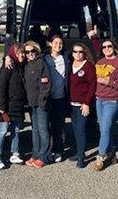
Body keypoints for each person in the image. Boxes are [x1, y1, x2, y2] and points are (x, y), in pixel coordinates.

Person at [93, 39, 118, 171]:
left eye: (109, 46)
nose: (107, 49)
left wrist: (109, 82)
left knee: (105, 129)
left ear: (114, 47)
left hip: (112, 100)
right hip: (99, 100)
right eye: (104, 47)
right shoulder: (100, 62)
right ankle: (112, 153)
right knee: (103, 129)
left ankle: (101, 156)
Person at [0, 43, 26, 170]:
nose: (21, 55)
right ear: (14, 54)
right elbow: (0, 86)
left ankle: (15, 153)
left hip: (17, 105)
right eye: (18, 53)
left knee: (16, 131)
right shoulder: (8, 66)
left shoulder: (22, 66)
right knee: (2, 131)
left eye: (22, 52)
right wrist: (1, 106)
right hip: (6, 106)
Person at [23, 40, 51, 168]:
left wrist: (42, 100)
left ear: (37, 50)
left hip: (41, 104)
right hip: (31, 103)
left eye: (32, 51)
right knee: (35, 130)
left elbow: (46, 85)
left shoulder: (41, 64)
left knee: (43, 130)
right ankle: (35, 154)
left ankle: (43, 156)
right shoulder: (27, 65)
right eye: (27, 52)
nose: (30, 54)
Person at [68, 43, 96, 168]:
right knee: (75, 130)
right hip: (71, 104)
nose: (78, 54)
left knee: (81, 130)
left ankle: (81, 158)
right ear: (72, 53)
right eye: (75, 51)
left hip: (82, 105)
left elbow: (92, 86)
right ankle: (80, 152)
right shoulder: (69, 64)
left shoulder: (88, 66)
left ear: (84, 53)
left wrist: (86, 103)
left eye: (81, 52)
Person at [44, 35, 70, 163]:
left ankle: (58, 150)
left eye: (60, 43)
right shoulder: (44, 58)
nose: (58, 45)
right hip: (48, 98)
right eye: (55, 42)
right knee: (46, 126)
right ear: (50, 43)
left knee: (59, 126)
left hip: (61, 98)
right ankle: (47, 151)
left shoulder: (66, 58)